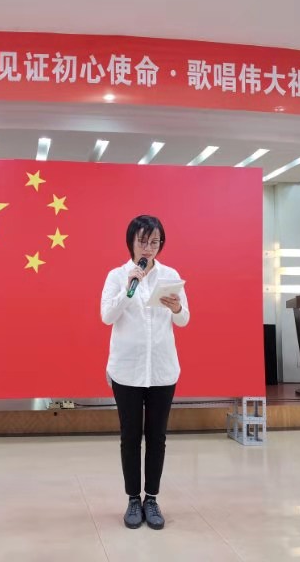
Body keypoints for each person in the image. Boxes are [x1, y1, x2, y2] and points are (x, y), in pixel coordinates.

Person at [100, 215, 190, 530]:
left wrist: (176, 307)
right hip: (126, 369)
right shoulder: (117, 276)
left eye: (154, 242)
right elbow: (107, 316)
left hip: (162, 369)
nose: (149, 248)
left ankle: (151, 498)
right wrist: (128, 289)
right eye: (143, 241)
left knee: (156, 436)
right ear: (131, 242)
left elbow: (184, 319)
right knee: (130, 436)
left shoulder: (170, 275)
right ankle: (132, 500)